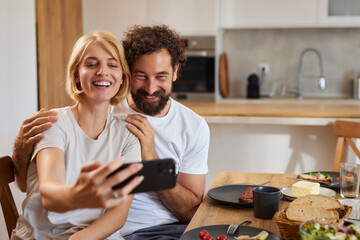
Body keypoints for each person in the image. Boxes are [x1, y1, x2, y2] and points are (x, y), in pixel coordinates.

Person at [12, 24, 210, 240]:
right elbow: (37, 189)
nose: (151, 88)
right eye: (141, 76)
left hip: (150, 230)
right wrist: (21, 152)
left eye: (160, 76)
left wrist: (151, 159)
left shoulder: (136, 130)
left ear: (175, 72)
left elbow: (188, 210)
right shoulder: (61, 119)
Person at [11, 31, 144, 240]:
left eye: (112, 65)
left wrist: (78, 239)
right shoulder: (53, 123)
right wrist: (79, 195)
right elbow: (50, 194)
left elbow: (119, 213)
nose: (102, 71)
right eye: (91, 64)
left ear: (122, 78)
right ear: (76, 75)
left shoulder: (128, 134)